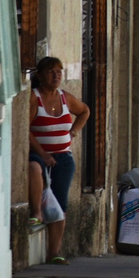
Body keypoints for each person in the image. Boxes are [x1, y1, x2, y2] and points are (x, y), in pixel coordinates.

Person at [27, 57, 89, 265]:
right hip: (39, 154)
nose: (56, 75)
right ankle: (36, 212)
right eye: (51, 71)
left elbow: (84, 111)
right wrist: (43, 154)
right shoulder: (34, 98)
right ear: (40, 75)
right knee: (34, 168)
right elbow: (26, 130)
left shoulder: (65, 98)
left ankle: (54, 251)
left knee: (61, 204)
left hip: (64, 158)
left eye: (59, 71)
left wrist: (73, 132)